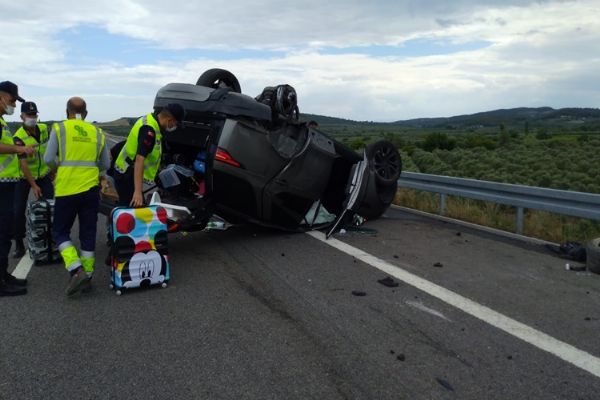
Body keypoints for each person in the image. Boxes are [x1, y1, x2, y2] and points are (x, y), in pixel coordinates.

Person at [43, 97, 110, 296]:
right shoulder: (97, 132)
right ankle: (87, 276)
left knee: (60, 232)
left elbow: (48, 159)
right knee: (88, 232)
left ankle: (76, 269)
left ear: (67, 111)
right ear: (86, 113)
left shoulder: (59, 129)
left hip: (67, 189)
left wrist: (58, 169)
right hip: (90, 190)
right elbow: (105, 164)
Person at [0, 81, 35, 297]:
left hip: (7, 183)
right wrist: (18, 148)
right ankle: (1, 283)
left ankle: (4, 275)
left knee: (5, 232)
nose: (13, 104)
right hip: (1, 184)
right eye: (12, 100)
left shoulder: (2, 122)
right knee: (2, 233)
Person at [113, 103, 184, 207]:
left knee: (129, 208)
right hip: (127, 175)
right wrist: (137, 192)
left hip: (126, 171)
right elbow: (140, 159)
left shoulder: (148, 120)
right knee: (129, 211)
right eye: (176, 124)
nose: (175, 127)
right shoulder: (149, 130)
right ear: (170, 120)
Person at [12, 101, 54, 258]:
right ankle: (19, 243)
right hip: (24, 178)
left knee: (50, 206)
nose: (32, 117)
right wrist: (34, 185)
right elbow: (23, 164)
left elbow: (51, 149)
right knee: (18, 210)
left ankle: (50, 239)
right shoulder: (18, 137)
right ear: (22, 116)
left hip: (43, 174)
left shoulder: (43, 129)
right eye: (29, 115)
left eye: (34, 115)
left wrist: (53, 169)